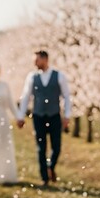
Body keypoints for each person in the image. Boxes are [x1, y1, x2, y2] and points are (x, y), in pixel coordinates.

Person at [17, 50, 71, 186]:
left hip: (54, 116)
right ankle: (44, 178)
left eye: (37, 60)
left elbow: (66, 96)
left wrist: (67, 115)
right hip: (38, 116)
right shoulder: (31, 77)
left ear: (45, 59)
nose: (35, 63)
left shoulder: (59, 76)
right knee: (41, 147)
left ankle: (50, 167)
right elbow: (26, 97)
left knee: (56, 147)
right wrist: (20, 115)